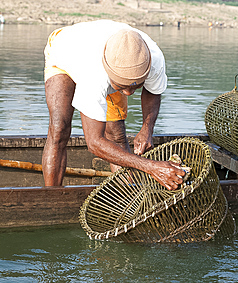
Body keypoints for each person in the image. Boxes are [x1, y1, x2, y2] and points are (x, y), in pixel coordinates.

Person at [42, 20, 185, 190]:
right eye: (121, 87)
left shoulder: (152, 58)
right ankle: (50, 197)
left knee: (117, 135)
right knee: (59, 129)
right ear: (109, 73)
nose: (128, 94)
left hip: (110, 59)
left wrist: (147, 129)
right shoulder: (93, 75)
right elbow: (94, 142)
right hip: (64, 51)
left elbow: (153, 91)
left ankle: (127, 197)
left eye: (136, 86)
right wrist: (151, 166)